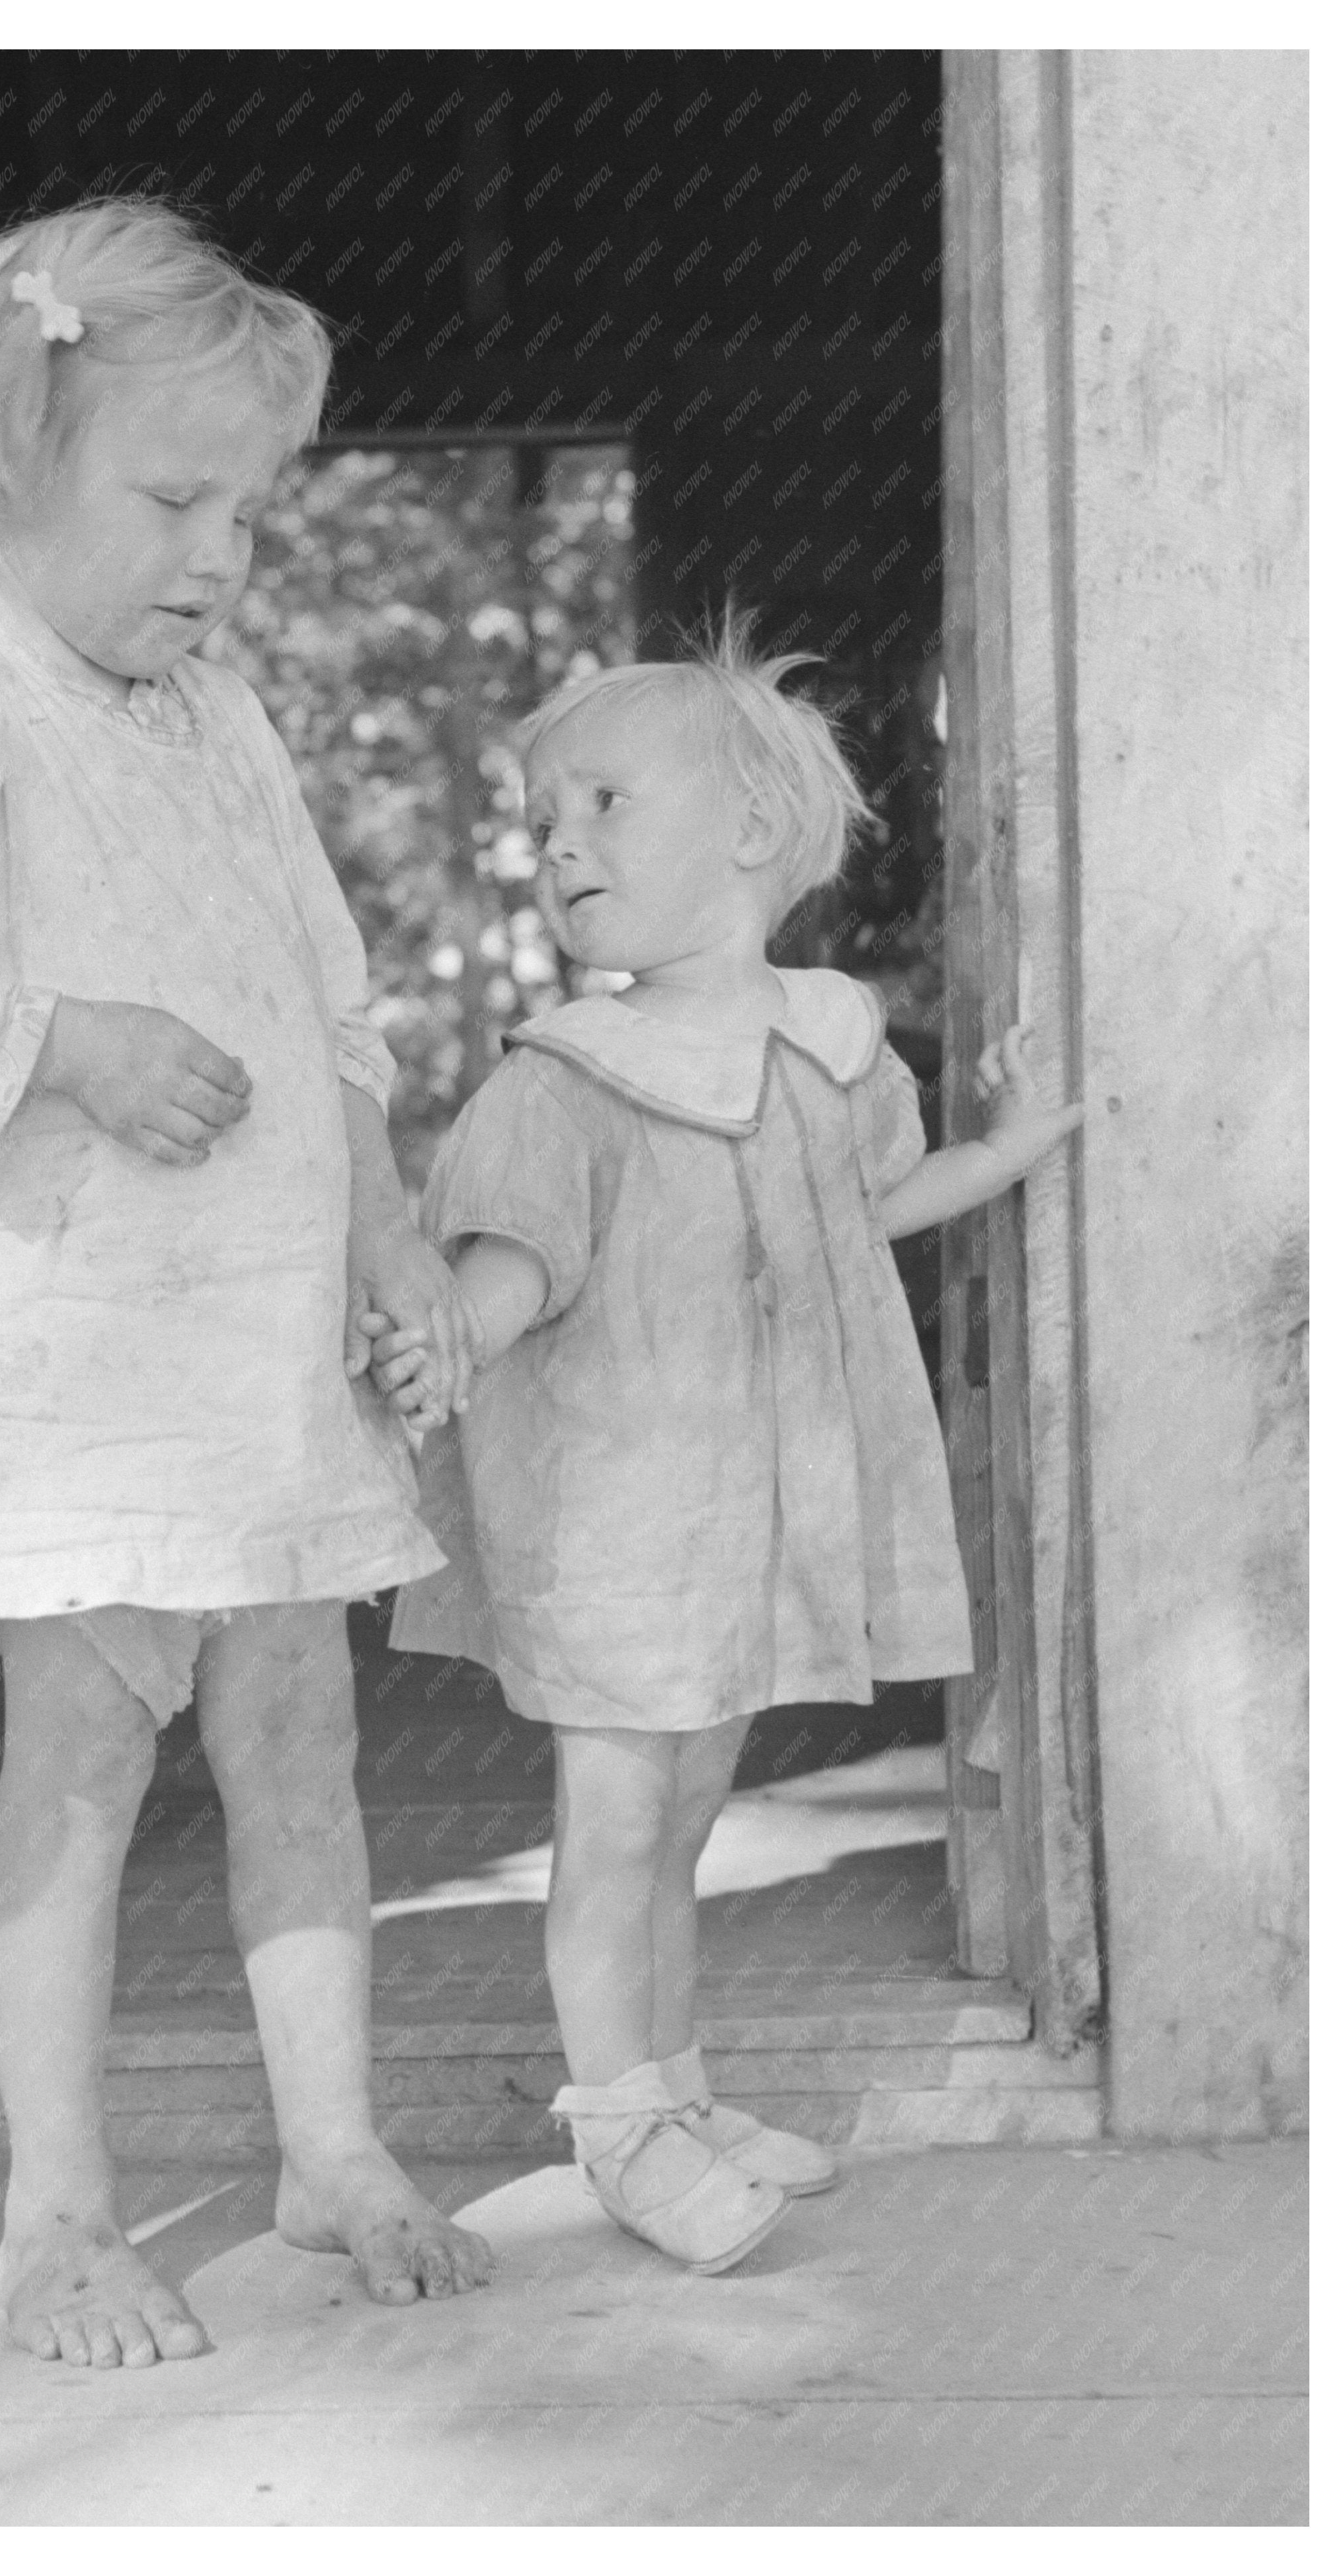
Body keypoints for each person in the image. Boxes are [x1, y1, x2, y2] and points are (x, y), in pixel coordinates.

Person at [0, 197, 493, 2369]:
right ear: (12, 451)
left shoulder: (220, 719)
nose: (217, 556)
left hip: (249, 1343)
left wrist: (382, 1229)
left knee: (298, 1727)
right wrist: (70, 1039)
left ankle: (329, 2144)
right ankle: (52, 2215)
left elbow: (326, 998)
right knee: (78, 1747)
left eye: (244, 512)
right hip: (71, 1352)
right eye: (174, 500)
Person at [381, 623, 1083, 2273]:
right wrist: (454, 1330)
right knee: (616, 1820)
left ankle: (677, 2088)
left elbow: (871, 1211)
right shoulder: (573, 1076)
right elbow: (519, 1254)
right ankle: (616, 2124)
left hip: (741, 1512)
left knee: (688, 1811)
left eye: (603, 801)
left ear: (753, 836)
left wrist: (1005, 1147)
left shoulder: (829, 1035)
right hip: (621, 1517)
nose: (557, 842)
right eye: (545, 817)